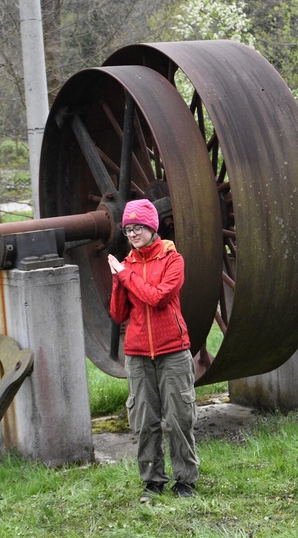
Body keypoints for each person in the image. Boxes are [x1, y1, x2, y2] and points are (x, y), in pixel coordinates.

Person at [107, 199, 199, 503]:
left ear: (151, 227)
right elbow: (119, 314)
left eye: (138, 228)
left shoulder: (173, 260)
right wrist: (118, 281)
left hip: (172, 349)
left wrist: (124, 277)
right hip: (137, 354)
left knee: (179, 418)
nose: (132, 234)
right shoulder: (127, 264)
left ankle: (185, 480)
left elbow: (158, 297)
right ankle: (153, 480)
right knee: (145, 421)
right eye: (128, 229)